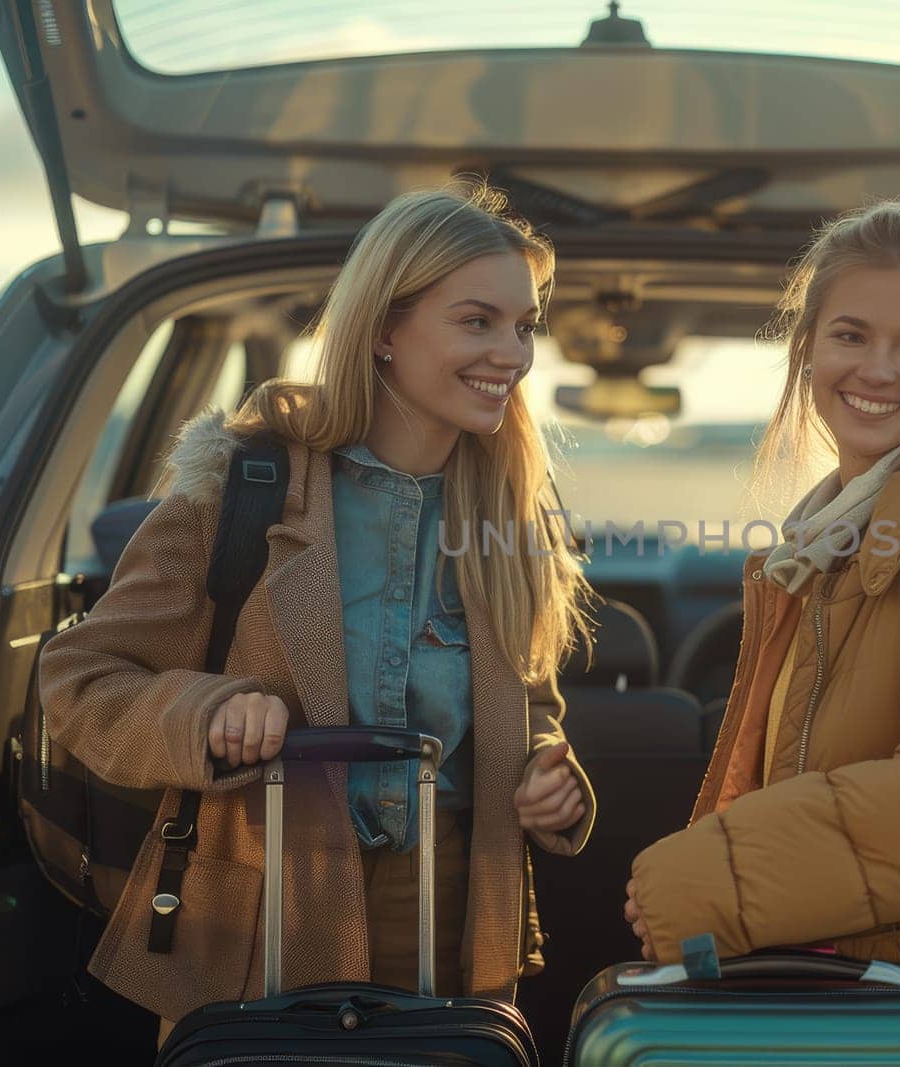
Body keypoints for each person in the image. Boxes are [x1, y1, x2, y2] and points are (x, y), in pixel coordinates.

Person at [40, 181, 597, 1038]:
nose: (514, 354)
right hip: (262, 903)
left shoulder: (512, 510)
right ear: (381, 329)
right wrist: (210, 711)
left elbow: (528, 705)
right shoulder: (244, 485)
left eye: (524, 326)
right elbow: (80, 679)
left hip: (455, 910)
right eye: (477, 321)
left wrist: (549, 771)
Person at [623, 199, 900, 1066]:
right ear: (807, 349)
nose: (879, 369)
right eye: (851, 335)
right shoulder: (832, 536)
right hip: (852, 995)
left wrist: (711, 876)